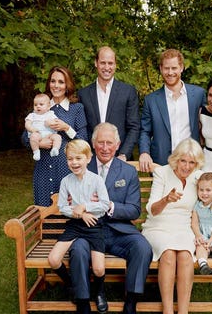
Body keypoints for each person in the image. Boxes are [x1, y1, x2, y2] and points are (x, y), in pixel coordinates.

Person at [69, 122, 153, 314]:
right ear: (93, 144)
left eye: (109, 143)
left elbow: (133, 210)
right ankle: (83, 302)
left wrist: (108, 206)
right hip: (87, 231)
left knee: (142, 247)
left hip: (118, 231)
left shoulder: (128, 171)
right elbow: (70, 202)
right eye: (100, 143)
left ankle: (131, 302)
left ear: (117, 144)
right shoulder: (80, 166)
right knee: (78, 249)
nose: (105, 148)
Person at [141, 138, 212, 314]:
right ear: (176, 159)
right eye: (183, 161)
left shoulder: (198, 177)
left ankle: (183, 311)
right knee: (168, 253)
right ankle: (167, 311)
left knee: (184, 255)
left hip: (184, 226)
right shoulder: (162, 173)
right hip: (158, 226)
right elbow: (152, 210)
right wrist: (166, 199)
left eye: (192, 162)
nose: (187, 166)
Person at [47, 139, 111, 314]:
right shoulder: (66, 182)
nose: (74, 163)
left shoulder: (97, 180)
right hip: (75, 225)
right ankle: (72, 286)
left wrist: (85, 207)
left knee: (98, 268)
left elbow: (105, 205)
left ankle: (98, 291)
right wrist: (79, 213)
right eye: (70, 159)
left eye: (78, 158)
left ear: (88, 158)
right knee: (53, 259)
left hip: (94, 225)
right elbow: (62, 207)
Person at [21, 66, 88, 206]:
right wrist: (38, 144)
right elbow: (24, 137)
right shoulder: (41, 106)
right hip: (43, 168)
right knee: (44, 211)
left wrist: (67, 128)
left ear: (67, 85)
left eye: (61, 82)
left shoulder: (77, 108)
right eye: (53, 81)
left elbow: (83, 140)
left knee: (68, 211)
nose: (56, 85)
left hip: (67, 169)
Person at [138, 48, 206, 172]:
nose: (170, 72)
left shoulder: (198, 95)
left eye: (174, 68)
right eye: (166, 68)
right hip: (162, 163)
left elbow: (209, 124)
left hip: (192, 162)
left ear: (181, 68)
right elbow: (145, 131)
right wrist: (144, 152)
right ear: (161, 69)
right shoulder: (151, 100)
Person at [78, 46, 140, 160]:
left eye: (110, 63)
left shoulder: (128, 92)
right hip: (92, 159)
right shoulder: (83, 94)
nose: (107, 67)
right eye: (103, 63)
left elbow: (134, 127)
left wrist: (123, 154)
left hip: (120, 159)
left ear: (115, 64)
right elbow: (83, 128)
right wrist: (88, 153)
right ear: (96, 63)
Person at [24, 93, 62, 161]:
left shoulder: (51, 114)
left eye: (41, 104)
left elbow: (57, 122)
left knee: (58, 137)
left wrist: (51, 123)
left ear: (48, 106)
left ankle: (55, 149)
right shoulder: (32, 115)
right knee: (33, 137)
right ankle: (36, 151)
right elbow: (27, 124)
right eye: (35, 105)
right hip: (37, 134)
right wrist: (32, 129)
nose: (38, 106)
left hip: (49, 134)